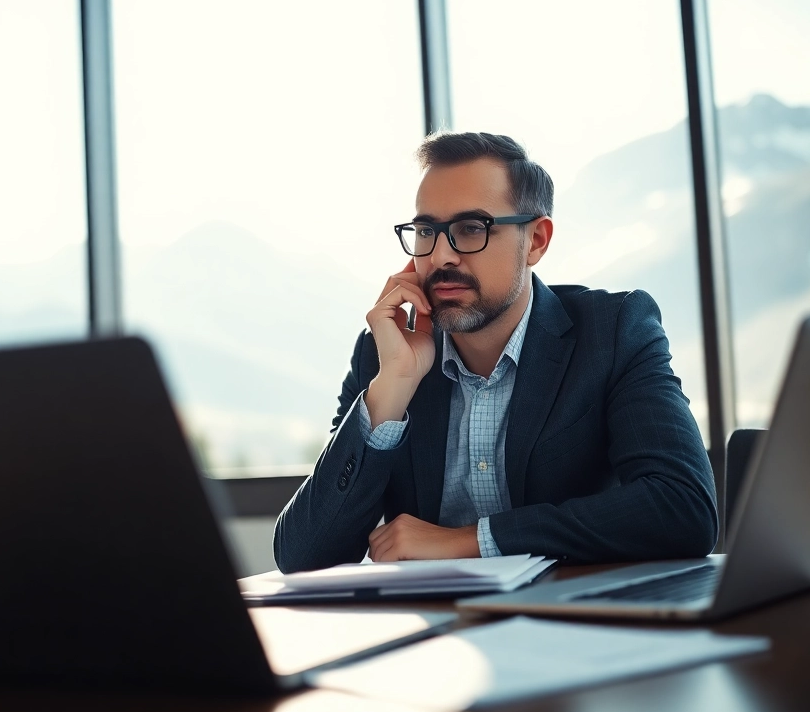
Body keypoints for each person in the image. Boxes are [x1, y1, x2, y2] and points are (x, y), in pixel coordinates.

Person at [273, 132, 718, 573]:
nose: (441, 255)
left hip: (578, 620)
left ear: (537, 240)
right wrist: (396, 384)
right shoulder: (385, 355)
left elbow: (683, 508)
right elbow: (303, 555)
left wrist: (472, 541)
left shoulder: (613, 331)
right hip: (436, 630)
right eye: (427, 231)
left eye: (470, 229)